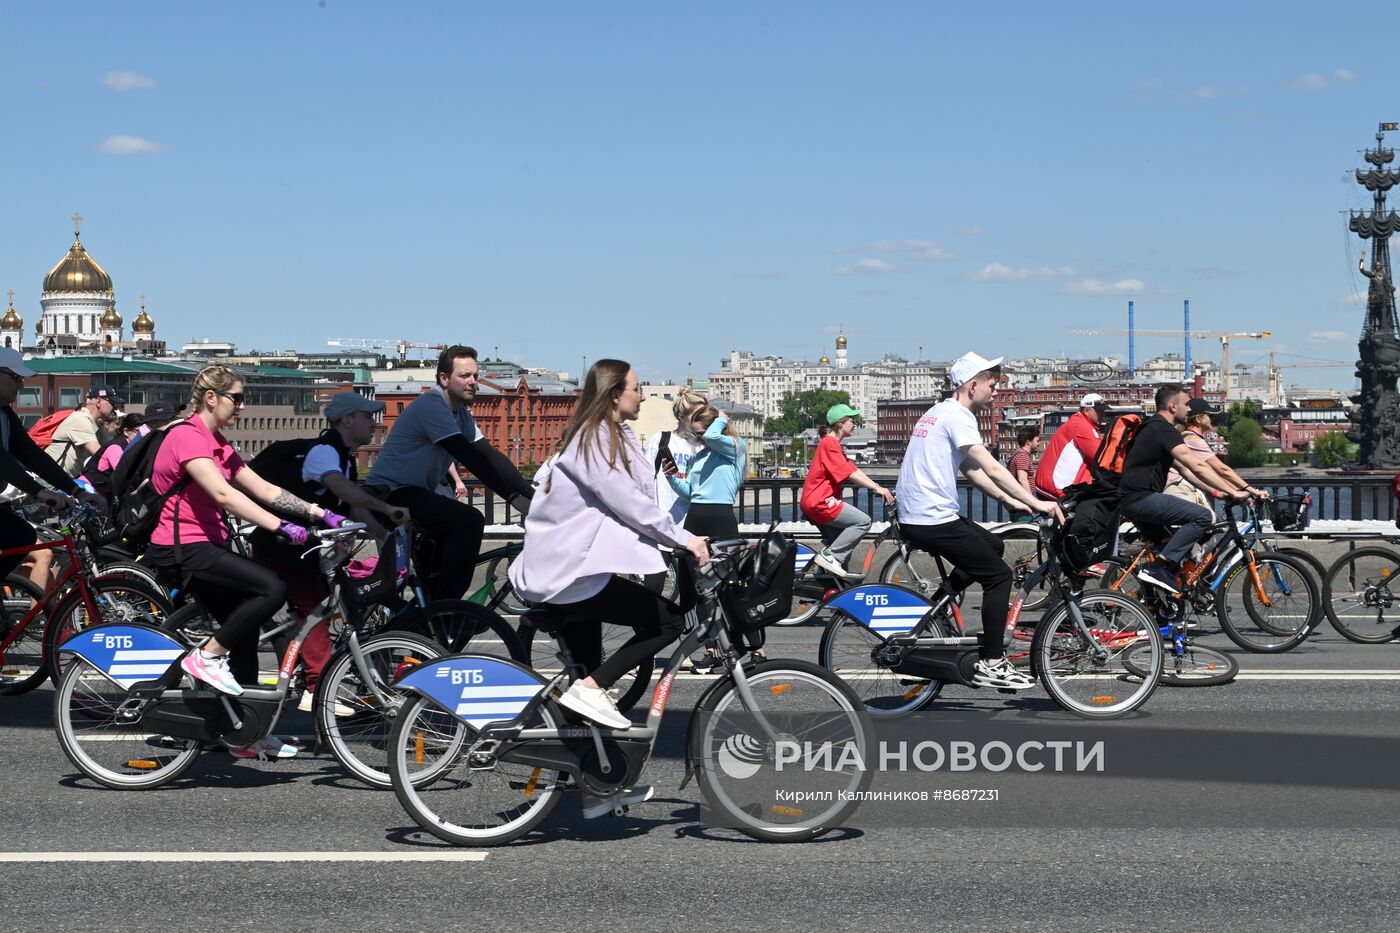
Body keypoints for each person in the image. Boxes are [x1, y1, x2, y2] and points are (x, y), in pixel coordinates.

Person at [149, 365, 343, 760]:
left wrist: (319, 514)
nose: (242, 405)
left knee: (247, 627)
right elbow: (223, 494)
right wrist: (281, 528)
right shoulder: (186, 436)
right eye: (236, 397)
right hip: (182, 547)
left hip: (207, 544)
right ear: (210, 398)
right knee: (274, 588)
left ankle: (243, 732)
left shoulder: (216, 441)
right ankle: (205, 656)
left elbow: (264, 489)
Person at [510, 359, 710, 734]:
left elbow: (636, 498)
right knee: (668, 621)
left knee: (584, 691)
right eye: (637, 388)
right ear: (615, 393)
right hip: (567, 573)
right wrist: (685, 539)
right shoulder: (595, 439)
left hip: (577, 571)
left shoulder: (609, 433)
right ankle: (589, 691)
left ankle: (561, 772)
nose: (644, 396)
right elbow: (631, 504)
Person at [895, 351, 1064, 691]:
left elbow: (971, 470)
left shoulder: (938, 411)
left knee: (993, 544)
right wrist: (1038, 503)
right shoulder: (958, 416)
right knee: (998, 576)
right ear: (973, 386)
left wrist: (1008, 499)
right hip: (930, 517)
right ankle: (992, 662)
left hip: (921, 514)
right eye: (992, 384)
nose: (996, 392)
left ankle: (940, 604)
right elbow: (992, 467)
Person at [251, 391, 410, 713]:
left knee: (330, 601)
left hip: (306, 548)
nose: (373, 422)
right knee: (316, 606)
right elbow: (342, 489)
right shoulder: (324, 452)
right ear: (347, 420)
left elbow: (354, 508)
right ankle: (317, 688)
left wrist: (387, 536)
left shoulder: (345, 457)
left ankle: (319, 668)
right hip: (285, 546)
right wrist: (387, 507)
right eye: (368, 416)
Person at [364, 345, 534, 600]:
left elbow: (492, 457)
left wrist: (533, 496)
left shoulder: (461, 415)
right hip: (391, 492)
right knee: (470, 521)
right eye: (464, 376)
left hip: (416, 494)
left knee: (435, 568)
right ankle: (449, 611)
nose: (473, 382)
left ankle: (427, 622)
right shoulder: (433, 405)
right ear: (444, 379)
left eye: (475, 376)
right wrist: (512, 498)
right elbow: (469, 456)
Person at [1117, 384, 1251, 596]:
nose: (1189, 410)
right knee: (1202, 517)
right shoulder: (1163, 429)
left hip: (1135, 499)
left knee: (1171, 545)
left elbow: (1187, 472)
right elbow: (1196, 465)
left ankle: (1163, 609)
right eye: (1186, 405)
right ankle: (1157, 568)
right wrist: (1235, 492)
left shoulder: (1154, 428)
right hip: (1139, 498)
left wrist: (1217, 492)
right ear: (1172, 406)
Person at [0, 349, 100, 582]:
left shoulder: (4, 412)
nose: (22, 386)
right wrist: (39, 492)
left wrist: (75, 490)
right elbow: (2, 461)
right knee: (20, 534)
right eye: (16, 378)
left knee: (21, 536)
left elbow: (32, 455)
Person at [663, 402, 748, 672]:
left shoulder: (734, 447)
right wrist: (672, 477)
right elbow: (690, 491)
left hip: (721, 519)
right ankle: (714, 651)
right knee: (700, 591)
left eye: (701, 434)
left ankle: (750, 647)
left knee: (726, 588)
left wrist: (720, 420)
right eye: (697, 436)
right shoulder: (702, 455)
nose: (699, 440)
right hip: (696, 519)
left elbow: (713, 436)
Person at [799, 404, 894, 578]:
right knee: (863, 521)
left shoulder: (832, 444)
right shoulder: (829, 443)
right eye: (852, 420)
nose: (855, 423)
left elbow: (852, 469)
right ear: (840, 423)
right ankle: (830, 557)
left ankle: (830, 587)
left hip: (817, 502)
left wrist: (878, 487)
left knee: (843, 555)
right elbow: (850, 473)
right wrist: (876, 488)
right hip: (820, 501)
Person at [1163, 398, 1267, 509]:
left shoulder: (1188, 436)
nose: (1213, 419)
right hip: (1182, 490)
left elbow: (1214, 474)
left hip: (1185, 489)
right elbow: (1222, 470)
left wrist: (1238, 491)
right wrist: (1252, 491)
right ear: (1199, 419)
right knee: (1206, 521)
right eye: (1210, 416)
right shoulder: (1193, 439)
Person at [1034, 393, 1107, 500]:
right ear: (1086, 411)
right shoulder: (1082, 426)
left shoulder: (1079, 422)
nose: (1101, 414)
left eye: (1103, 411)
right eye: (1098, 411)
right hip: (1057, 488)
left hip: (1051, 485)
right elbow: (1101, 458)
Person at [46, 385, 125, 476]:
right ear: (99, 402)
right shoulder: (81, 419)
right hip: (48, 478)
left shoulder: (97, 425)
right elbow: (100, 453)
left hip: (63, 479)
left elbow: (109, 447)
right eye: (113, 403)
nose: (116, 408)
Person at [1005, 426, 1041, 520]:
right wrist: (1032, 502)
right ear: (1028, 442)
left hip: (1017, 503)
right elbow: (1022, 480)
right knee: (1026, 531)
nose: (1039, 444)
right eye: (1037, 441)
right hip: (1021, 505)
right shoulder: (1023, 457)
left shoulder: (1018, 453)